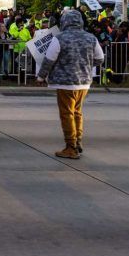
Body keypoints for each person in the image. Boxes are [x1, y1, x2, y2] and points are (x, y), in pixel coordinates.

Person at [37, 10, 104, 159]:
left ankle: (70, 146)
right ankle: (78, 142)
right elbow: (100, 58)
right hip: (84, 82)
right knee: (77, 112)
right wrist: (85, 64)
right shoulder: (91, 38)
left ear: (64, 21)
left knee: (67, 114)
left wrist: (41, 76)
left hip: (65, 83)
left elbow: (49, 60)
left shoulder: (59, 38)